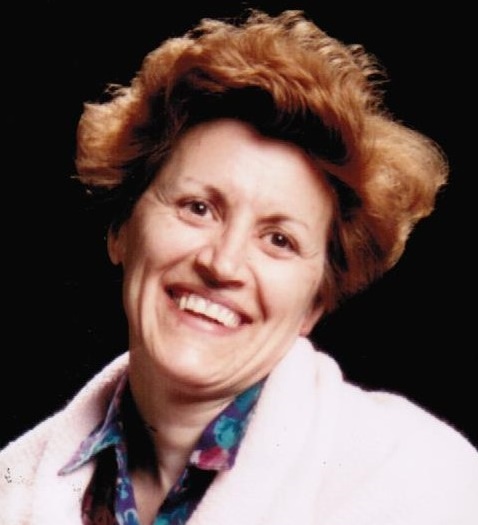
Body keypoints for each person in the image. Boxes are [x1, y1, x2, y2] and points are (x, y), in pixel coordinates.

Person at [1, 8, 477, 524]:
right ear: (121, 230)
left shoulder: (421, 481)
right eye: (198, 208)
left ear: (314, 305)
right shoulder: (11, 489)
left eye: (279, 240)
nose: (223, 263)